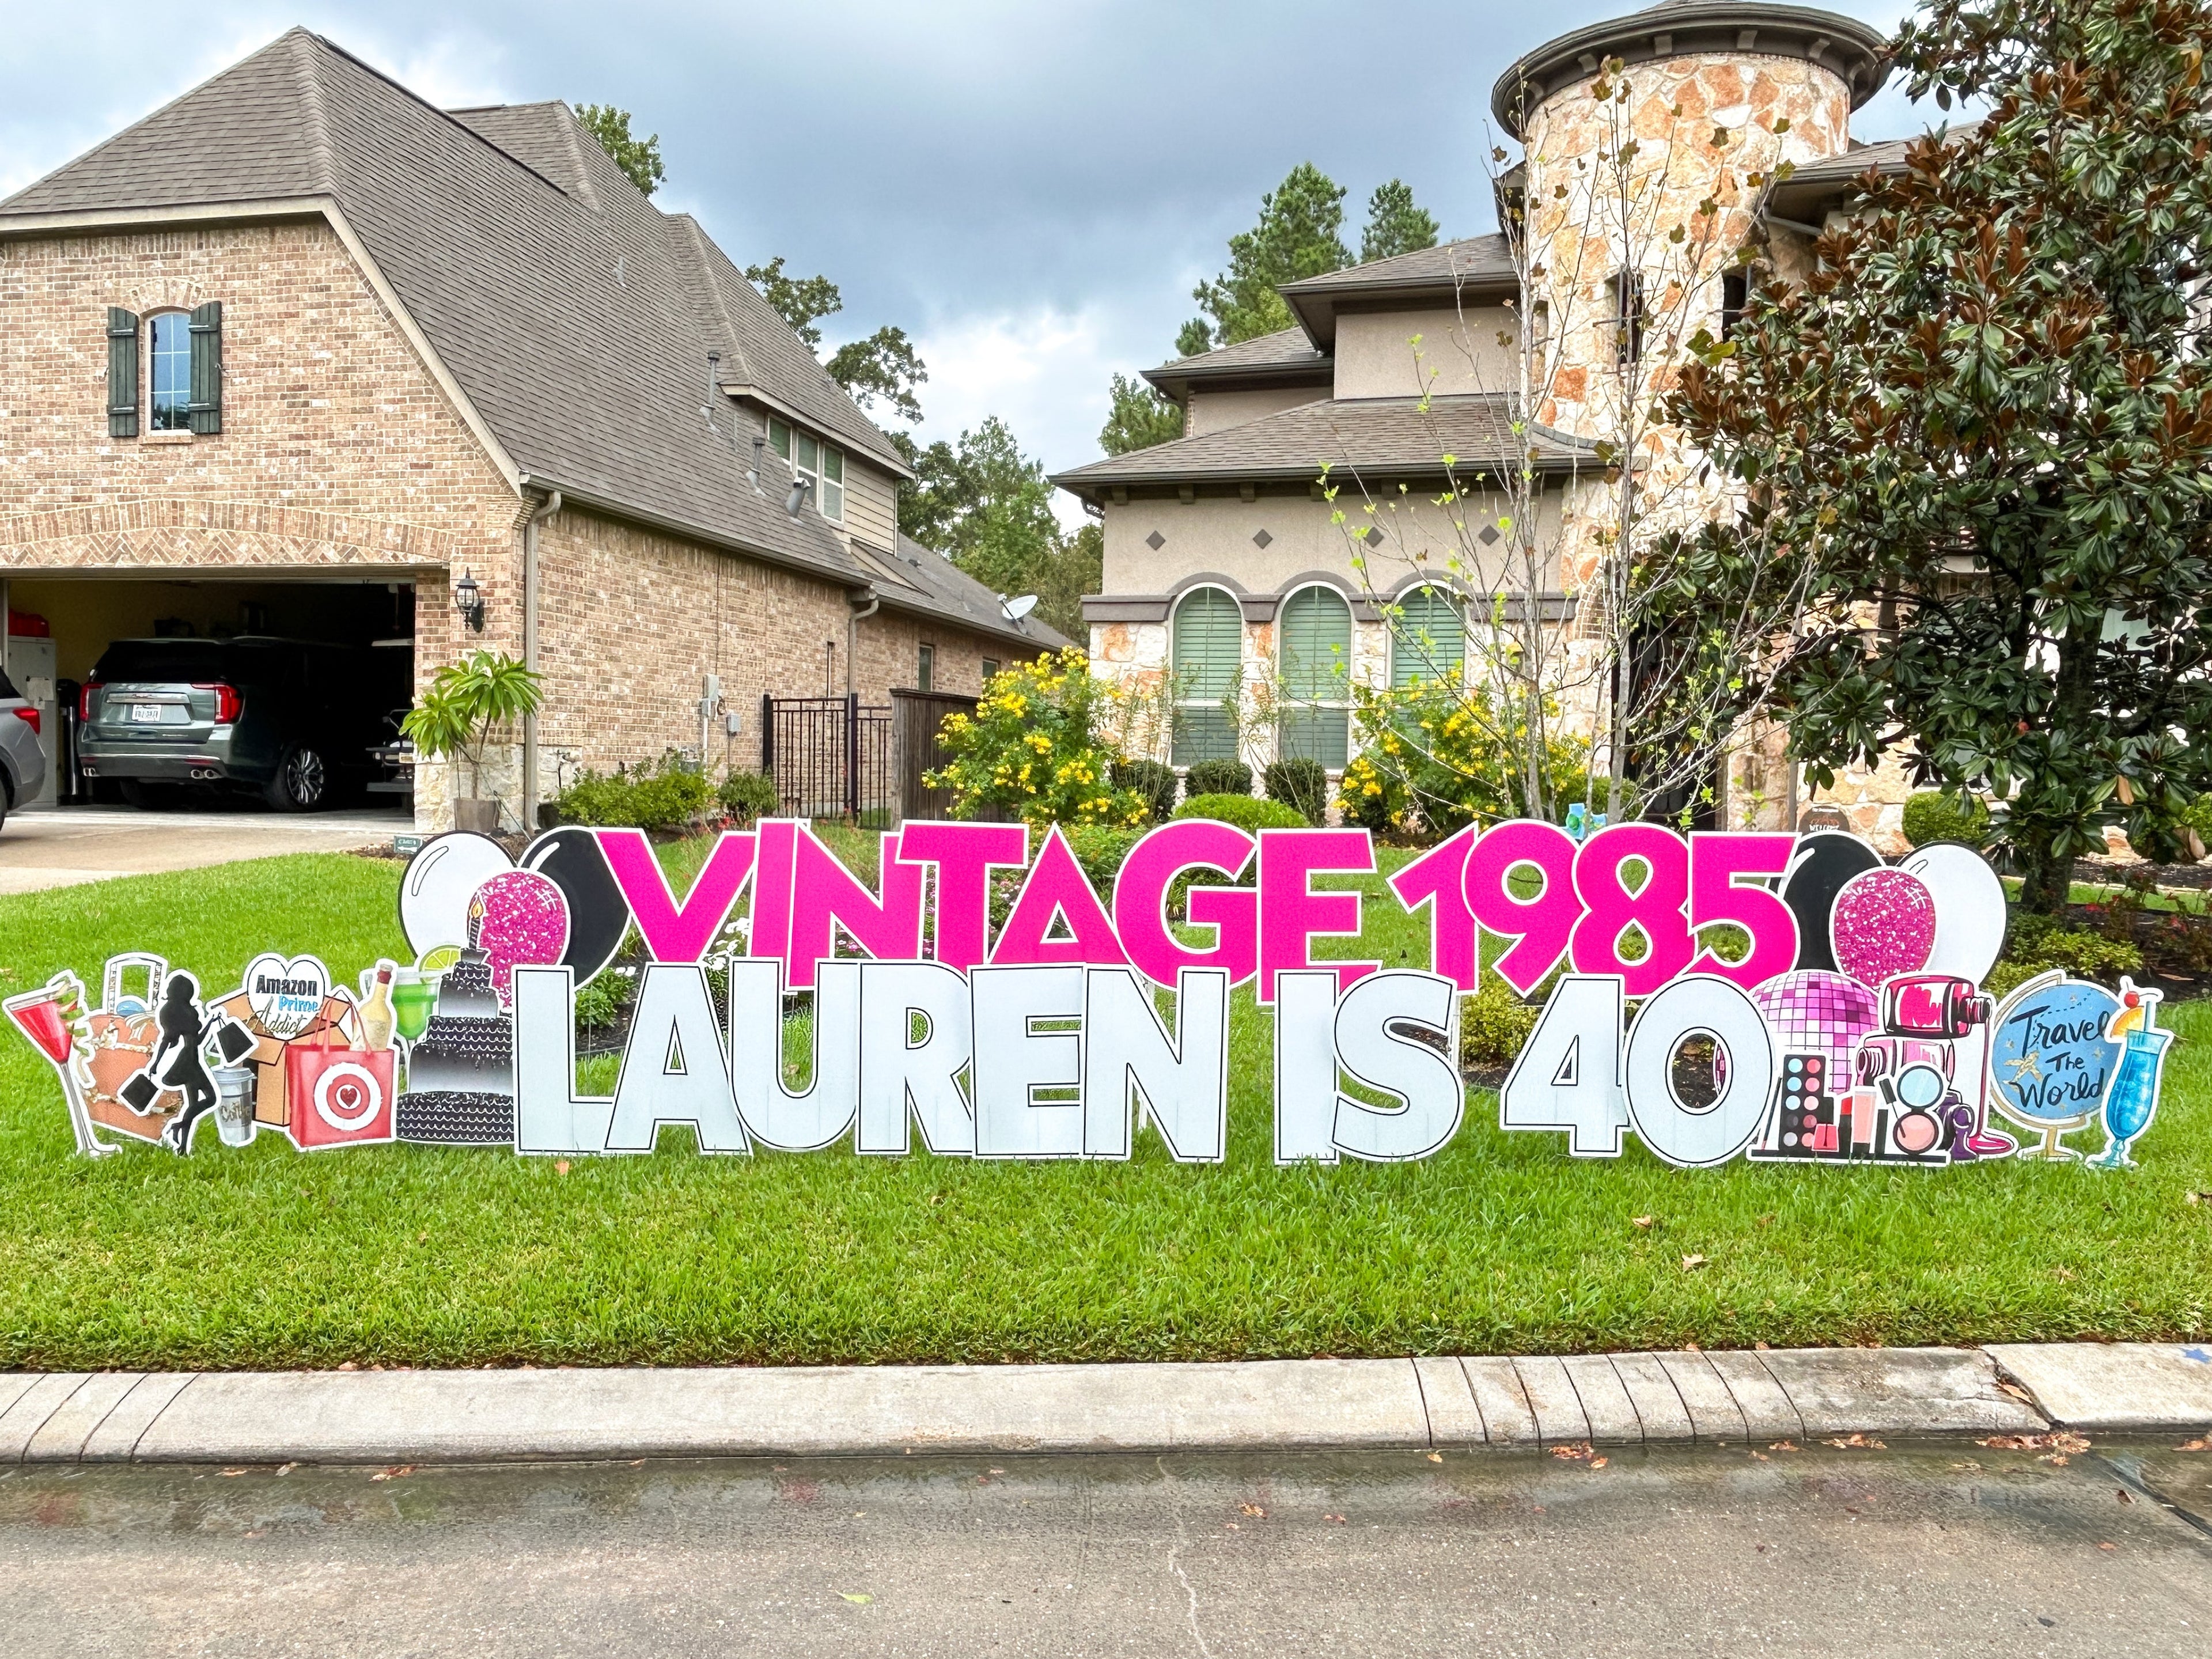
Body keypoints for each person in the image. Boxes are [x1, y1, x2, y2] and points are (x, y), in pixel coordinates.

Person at [150, 972, 218, 1154]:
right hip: (191, 1062)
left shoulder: (171, 1012)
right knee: (210, 1098)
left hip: (188, 1060)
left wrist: (155, 1064)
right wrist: (155, 1064)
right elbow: (195, 1042)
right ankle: (179, 1126)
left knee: (193, 1104)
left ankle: (182, 1146)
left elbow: (169, 1040)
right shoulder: (189, 1012)